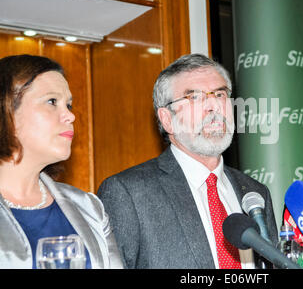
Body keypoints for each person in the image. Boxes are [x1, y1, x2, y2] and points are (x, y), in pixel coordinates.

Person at [97, 53, 278, 269]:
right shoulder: (128, 193)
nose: (214, 107)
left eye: (220, 94)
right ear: (167, 120)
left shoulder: (255, 193)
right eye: (195, 97)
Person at [0, 54, 123, 269]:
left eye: (69, 105)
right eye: (52, 101)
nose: (70, 116)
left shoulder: (89, 207)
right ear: (7, 110)